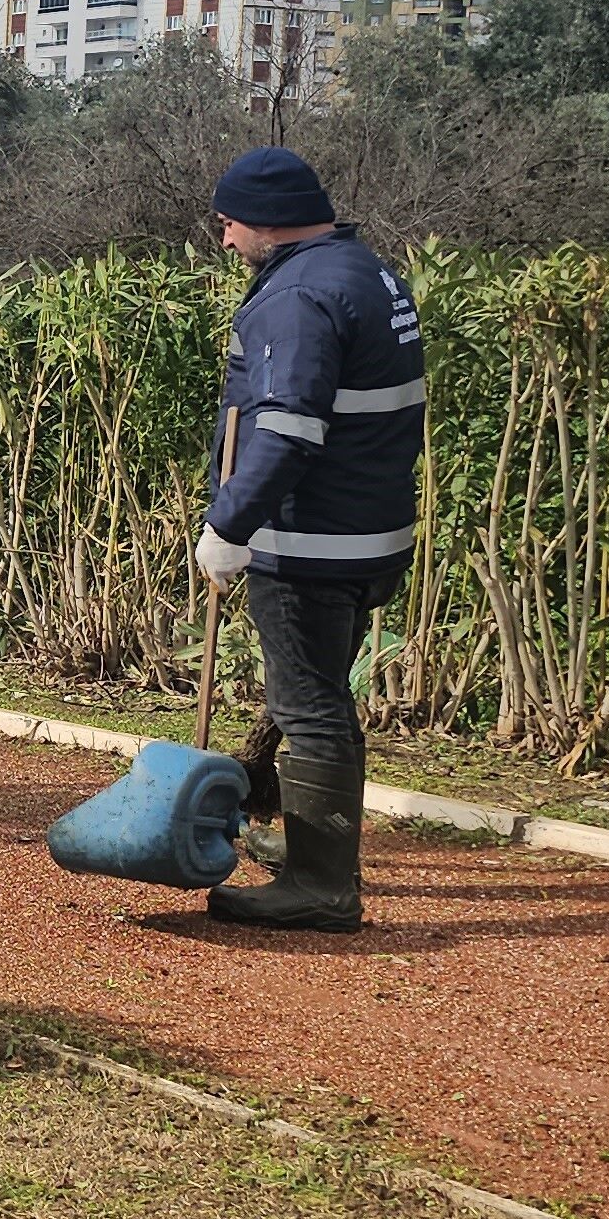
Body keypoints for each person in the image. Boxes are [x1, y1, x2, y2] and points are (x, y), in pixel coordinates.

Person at [192, 145, 425, 934]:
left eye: (228, 225)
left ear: (264, 221)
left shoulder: (296, 296)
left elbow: (287, 430)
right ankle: (286, 828)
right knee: (314, 689)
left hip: (313, 539)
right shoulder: (370, 274)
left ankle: (321, 885)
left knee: (311, 702)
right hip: (371, 531)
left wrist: (230, 524)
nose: (225, 242)